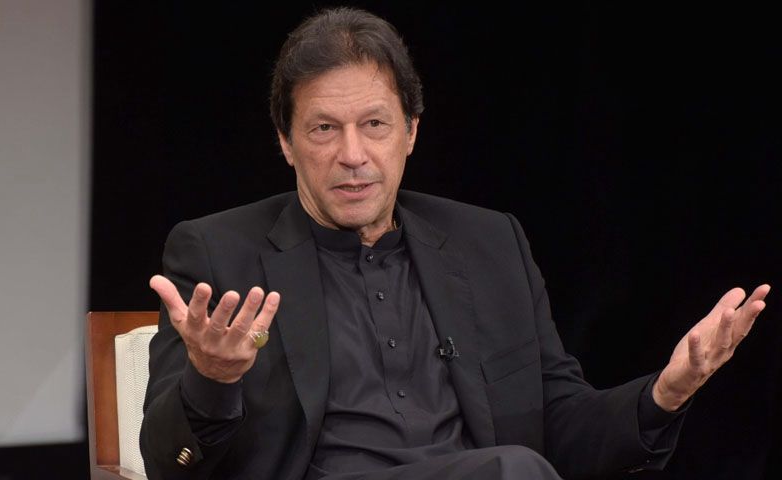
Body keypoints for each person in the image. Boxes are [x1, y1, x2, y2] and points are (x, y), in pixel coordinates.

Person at [139, 7, 770, 480]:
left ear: (411, 132)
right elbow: (168, 463)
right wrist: (213, 377)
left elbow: (560, 424)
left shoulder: (488, 243)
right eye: (324, 128)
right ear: (285, 141)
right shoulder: (217, 253)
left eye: (375, 124)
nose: (352, 154)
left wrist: (665, 392)